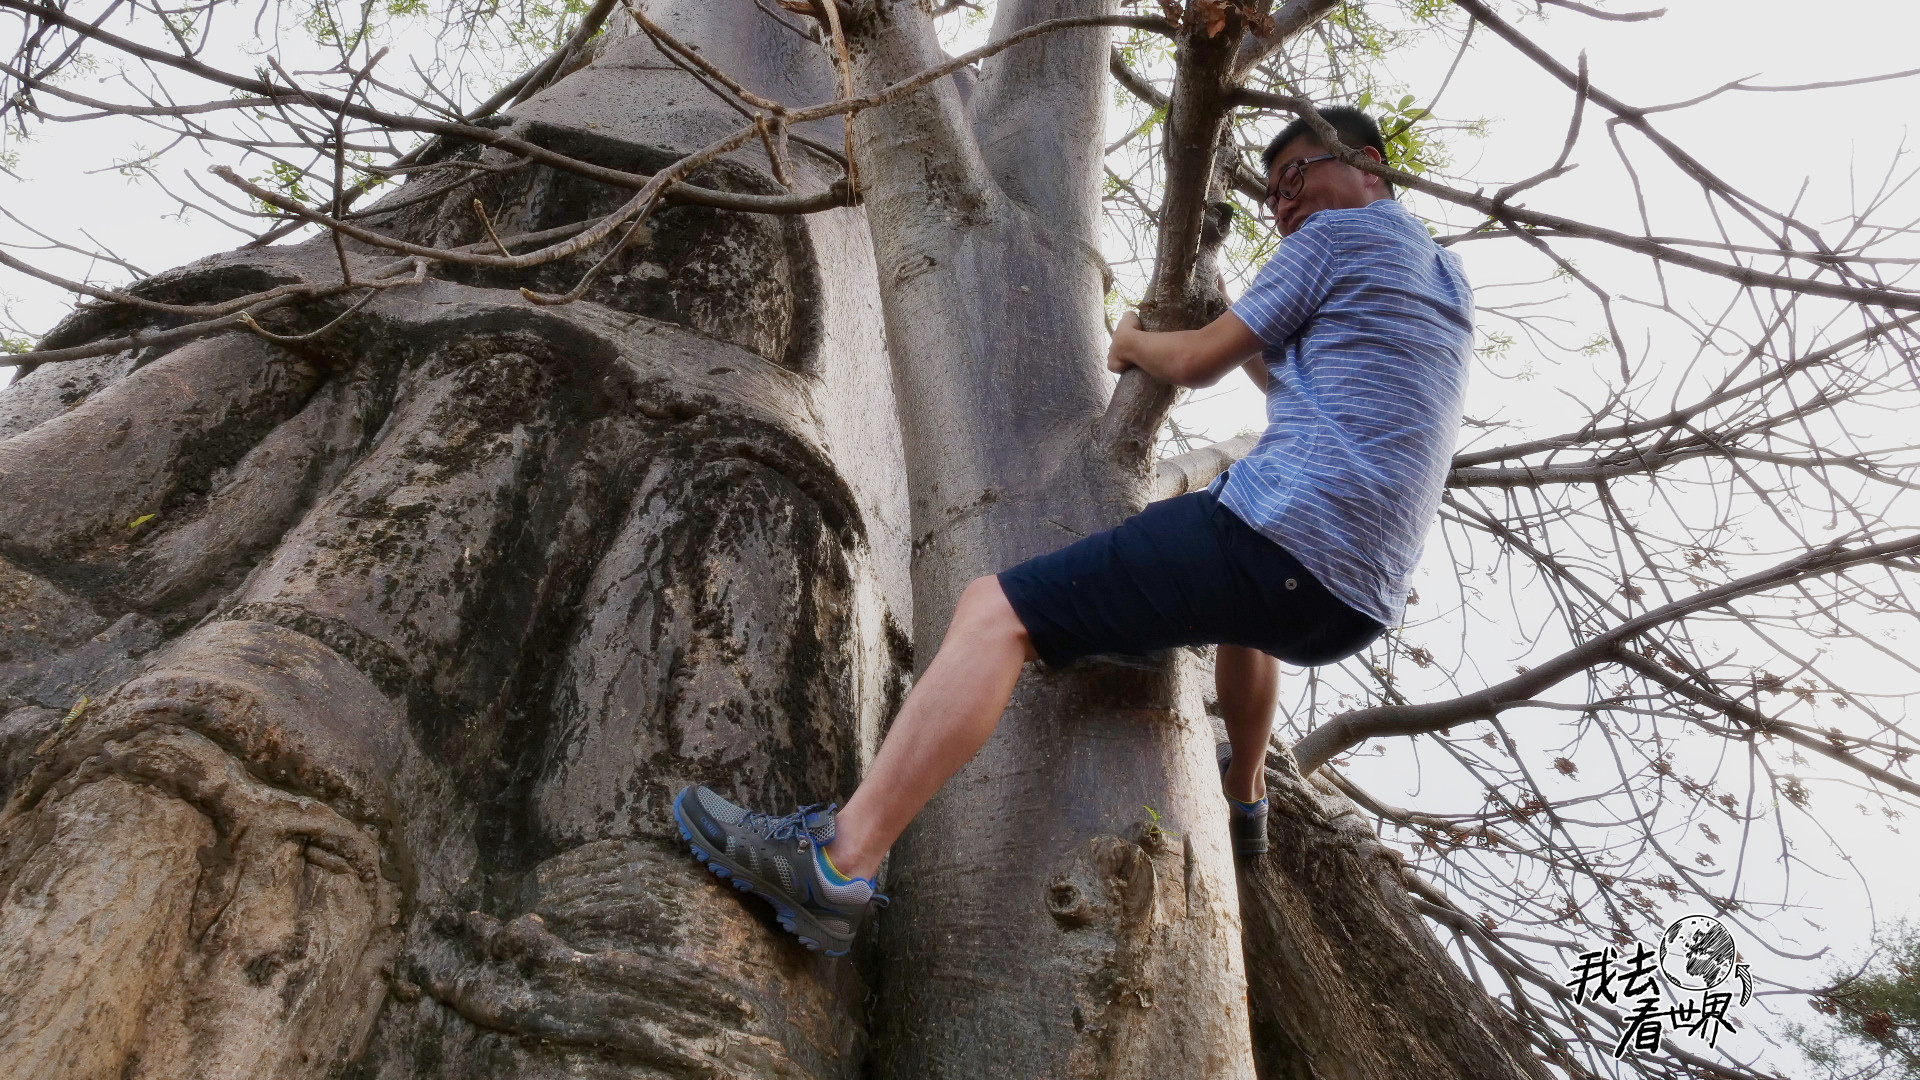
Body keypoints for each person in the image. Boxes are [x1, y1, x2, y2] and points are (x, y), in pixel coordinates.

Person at [671, 106, 1475, 957]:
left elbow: (1198, 361)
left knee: (992, 611)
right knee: (1236, 603)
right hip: (1349, 601)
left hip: (1278, 538)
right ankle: (1245, 789)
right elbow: (1289, 372)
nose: (1283, 203)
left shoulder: (1335, 241)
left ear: (1371, 168)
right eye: (1272, 192)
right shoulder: (1445, 280)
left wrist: (1132, 339)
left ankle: (839, 865)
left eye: (1300, 175)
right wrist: (1226, 313)